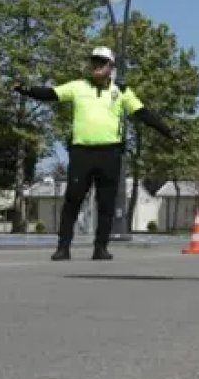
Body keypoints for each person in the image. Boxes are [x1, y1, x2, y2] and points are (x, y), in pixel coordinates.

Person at [14, 46, 181, 261]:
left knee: (106, 202)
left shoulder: (121, 91)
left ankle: (100, 247)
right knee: (73, 198)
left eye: (102, 63)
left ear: (111, 67)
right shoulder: (78, 86)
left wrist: (169, 132)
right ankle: (63, 247)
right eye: (94, 62)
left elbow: (143, 114)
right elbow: (50, 93)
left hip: (110, 152)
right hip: (81, 151)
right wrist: (24, 89)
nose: (96, 66)